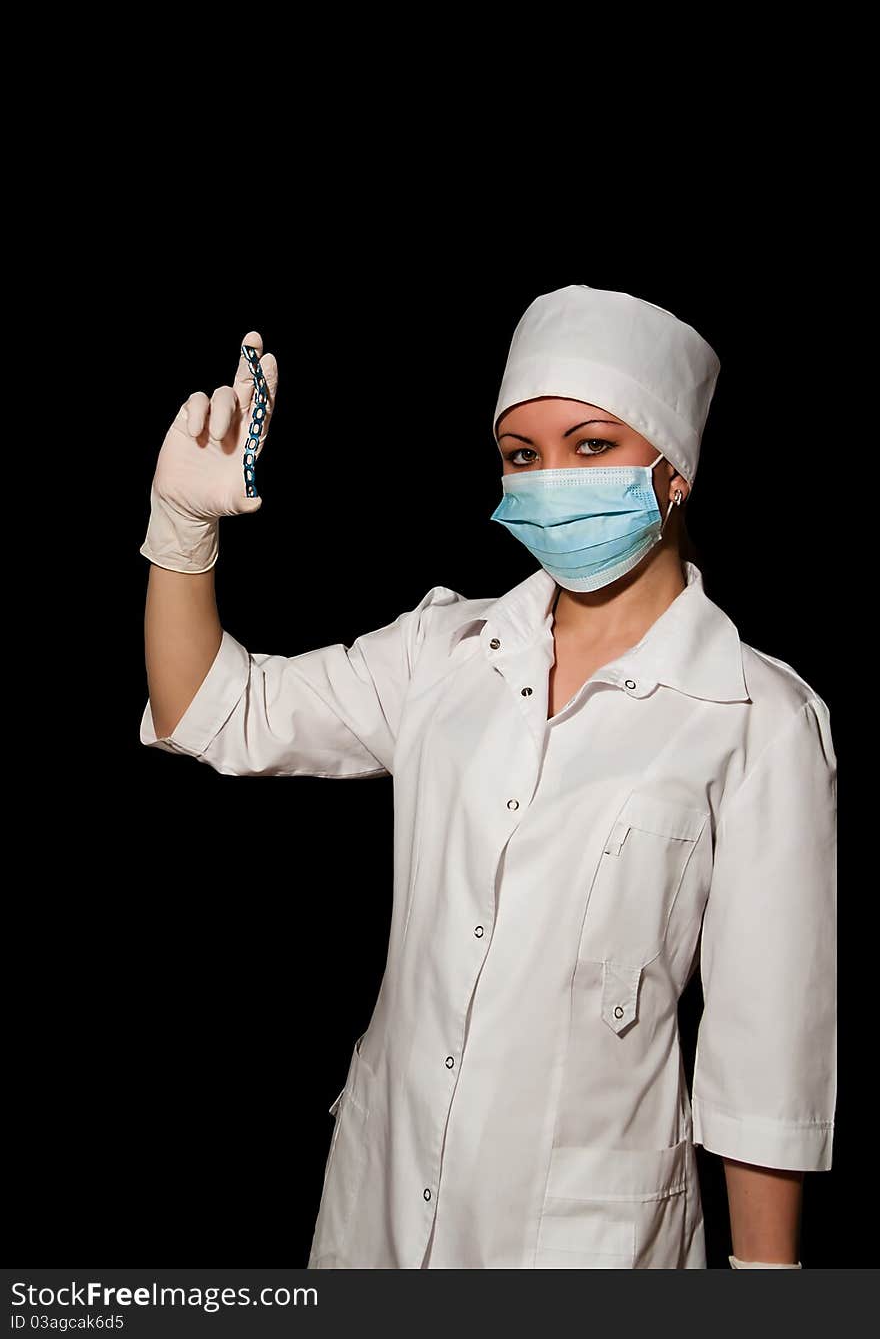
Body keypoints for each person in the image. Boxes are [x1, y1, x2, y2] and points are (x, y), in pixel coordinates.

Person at [138, 285, 836, 1269]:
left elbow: (765, 1067)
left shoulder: (758, 717)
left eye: (591, 447)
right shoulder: (445, 651)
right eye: (523, 455)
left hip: (589, 1245)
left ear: (673, 470)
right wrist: (180, 530)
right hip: (381, 1207)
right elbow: (212, 708)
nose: (552, 480)